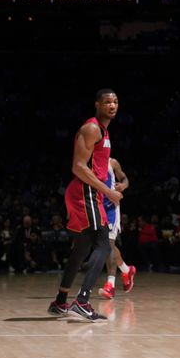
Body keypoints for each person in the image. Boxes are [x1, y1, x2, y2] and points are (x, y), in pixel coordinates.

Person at [48, 89, 123, 321]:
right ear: (97, 105)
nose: (112, 105)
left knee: (81, 248)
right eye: (107, 102)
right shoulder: (91, 128)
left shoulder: (104, 131)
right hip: (85, 191)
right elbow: (78, 166)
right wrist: (108, 191)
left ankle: (60, 302)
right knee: (103, 244)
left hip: (90, 192)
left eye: (115, 102)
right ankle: (82, 300)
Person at [98, 158, 137, 300]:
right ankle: (127, 270)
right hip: (96, 207)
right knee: (107, 246)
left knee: (108, 245)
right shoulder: (89, 161)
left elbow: (125, 179)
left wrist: (124, 186)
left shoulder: (112, 162)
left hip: (110, 208)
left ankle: (110, 285)